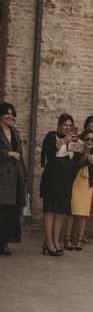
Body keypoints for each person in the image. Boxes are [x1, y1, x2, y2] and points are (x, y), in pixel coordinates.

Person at [40, 113, 77, 256]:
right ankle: (48, 242)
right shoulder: (51, 136)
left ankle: (56, 241)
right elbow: (49, 154)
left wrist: (80, 147)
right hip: (52, 178)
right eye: (65, 125)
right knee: (50, 210)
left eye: (70, 125)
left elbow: (74, 161)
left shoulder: (72, 140)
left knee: (60, 212)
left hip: (66, 180)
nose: (68, 128)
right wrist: (63, 141)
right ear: (59, 125)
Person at [63, 131, 93, 251]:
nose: (89, 141)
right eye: (87, 138)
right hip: (75, 182)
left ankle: (79, 239)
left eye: (92, 140)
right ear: (82, 139)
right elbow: (73, 165)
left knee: (83, 213)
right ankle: (67, 238)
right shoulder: (77, 149)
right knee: (71, 212)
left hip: (86, 185)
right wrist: (86, 159)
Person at [0, 102, 27, 256]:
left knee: (9, 213)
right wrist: (7, 154)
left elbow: (20, 154)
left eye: (12, 114)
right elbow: (12, 153)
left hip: (14, 177)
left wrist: (24, 174)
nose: (10, 116)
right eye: (7, 113)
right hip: (2, 178)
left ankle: (5, 243)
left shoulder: (15, 132)